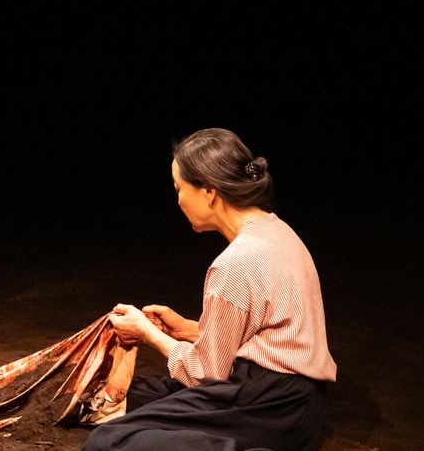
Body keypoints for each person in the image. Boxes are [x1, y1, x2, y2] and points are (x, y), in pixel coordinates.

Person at [84, 128, 337, 451]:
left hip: (266, 405)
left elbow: (205, 373)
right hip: (303, 405)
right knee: (136, 396)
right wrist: (187, 330)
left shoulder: (234, 263)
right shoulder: (279, 231)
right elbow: (263, 333)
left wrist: (149, 334)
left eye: (179, 188)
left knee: (107, 441)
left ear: (208, 192)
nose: (177, 200)